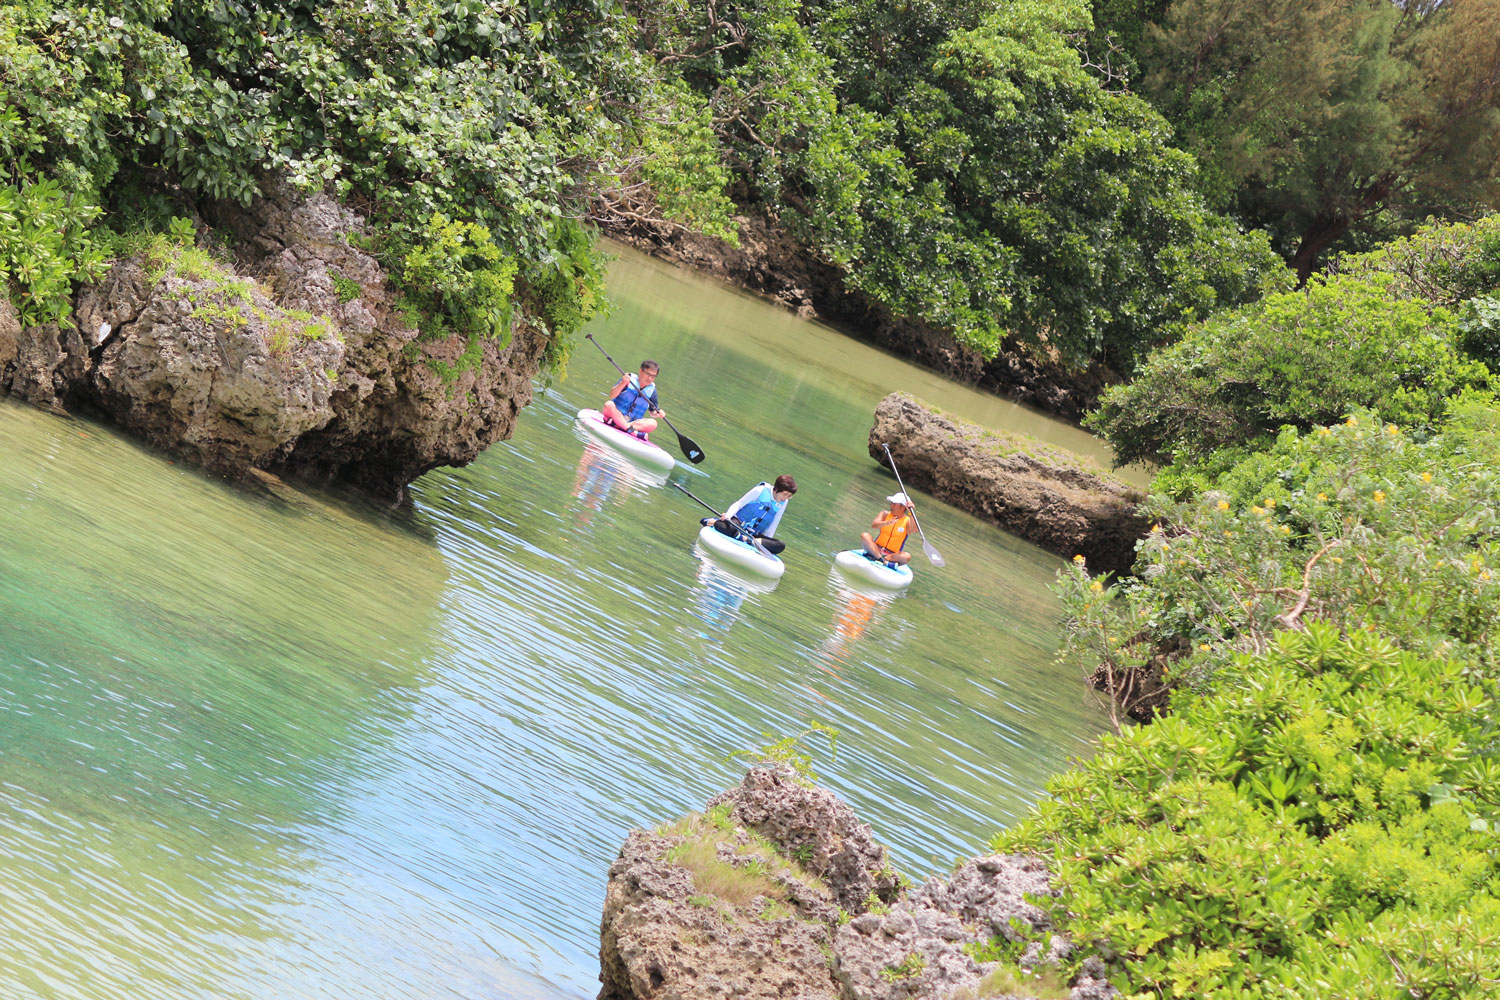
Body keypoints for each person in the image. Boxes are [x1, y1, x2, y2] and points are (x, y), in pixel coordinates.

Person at [701, 474, 797, 555]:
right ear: (777, 489)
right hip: (739, 524)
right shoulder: (760, 490)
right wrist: (728, 516)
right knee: (724, 526)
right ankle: (714, 522)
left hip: (754, 534)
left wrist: (767, 543)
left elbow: (775, 522)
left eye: (789, 496)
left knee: (780, 545)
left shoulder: (784, 502)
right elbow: (738, 504)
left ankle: (745, 539)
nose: (786, 498)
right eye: (785, 494)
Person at [602, 360, 664, 439]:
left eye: (653, 376)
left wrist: (658, 413)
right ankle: (633, 432)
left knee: (653, 423)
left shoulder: (652, 391)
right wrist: (623, 383)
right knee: (608, 404)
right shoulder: (628, 380)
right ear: (641, 371)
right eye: (648, 374)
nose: (650, 378)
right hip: (614, 416)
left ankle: (623, 426)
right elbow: (612, 395)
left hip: (632, 423)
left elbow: (653, 411)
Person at [861, 492, 914, 566]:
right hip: (876, 549)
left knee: (907, 556)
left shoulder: (908, 521)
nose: (891, 505)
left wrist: (911, 512)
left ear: (903, 507)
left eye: (894, 504)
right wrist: (886, 523)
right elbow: (874, 525)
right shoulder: (884, 514)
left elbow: (913, 530)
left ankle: (881, 559)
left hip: (891, 556)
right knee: (865, 535)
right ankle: (881, 559)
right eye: (891, 503)